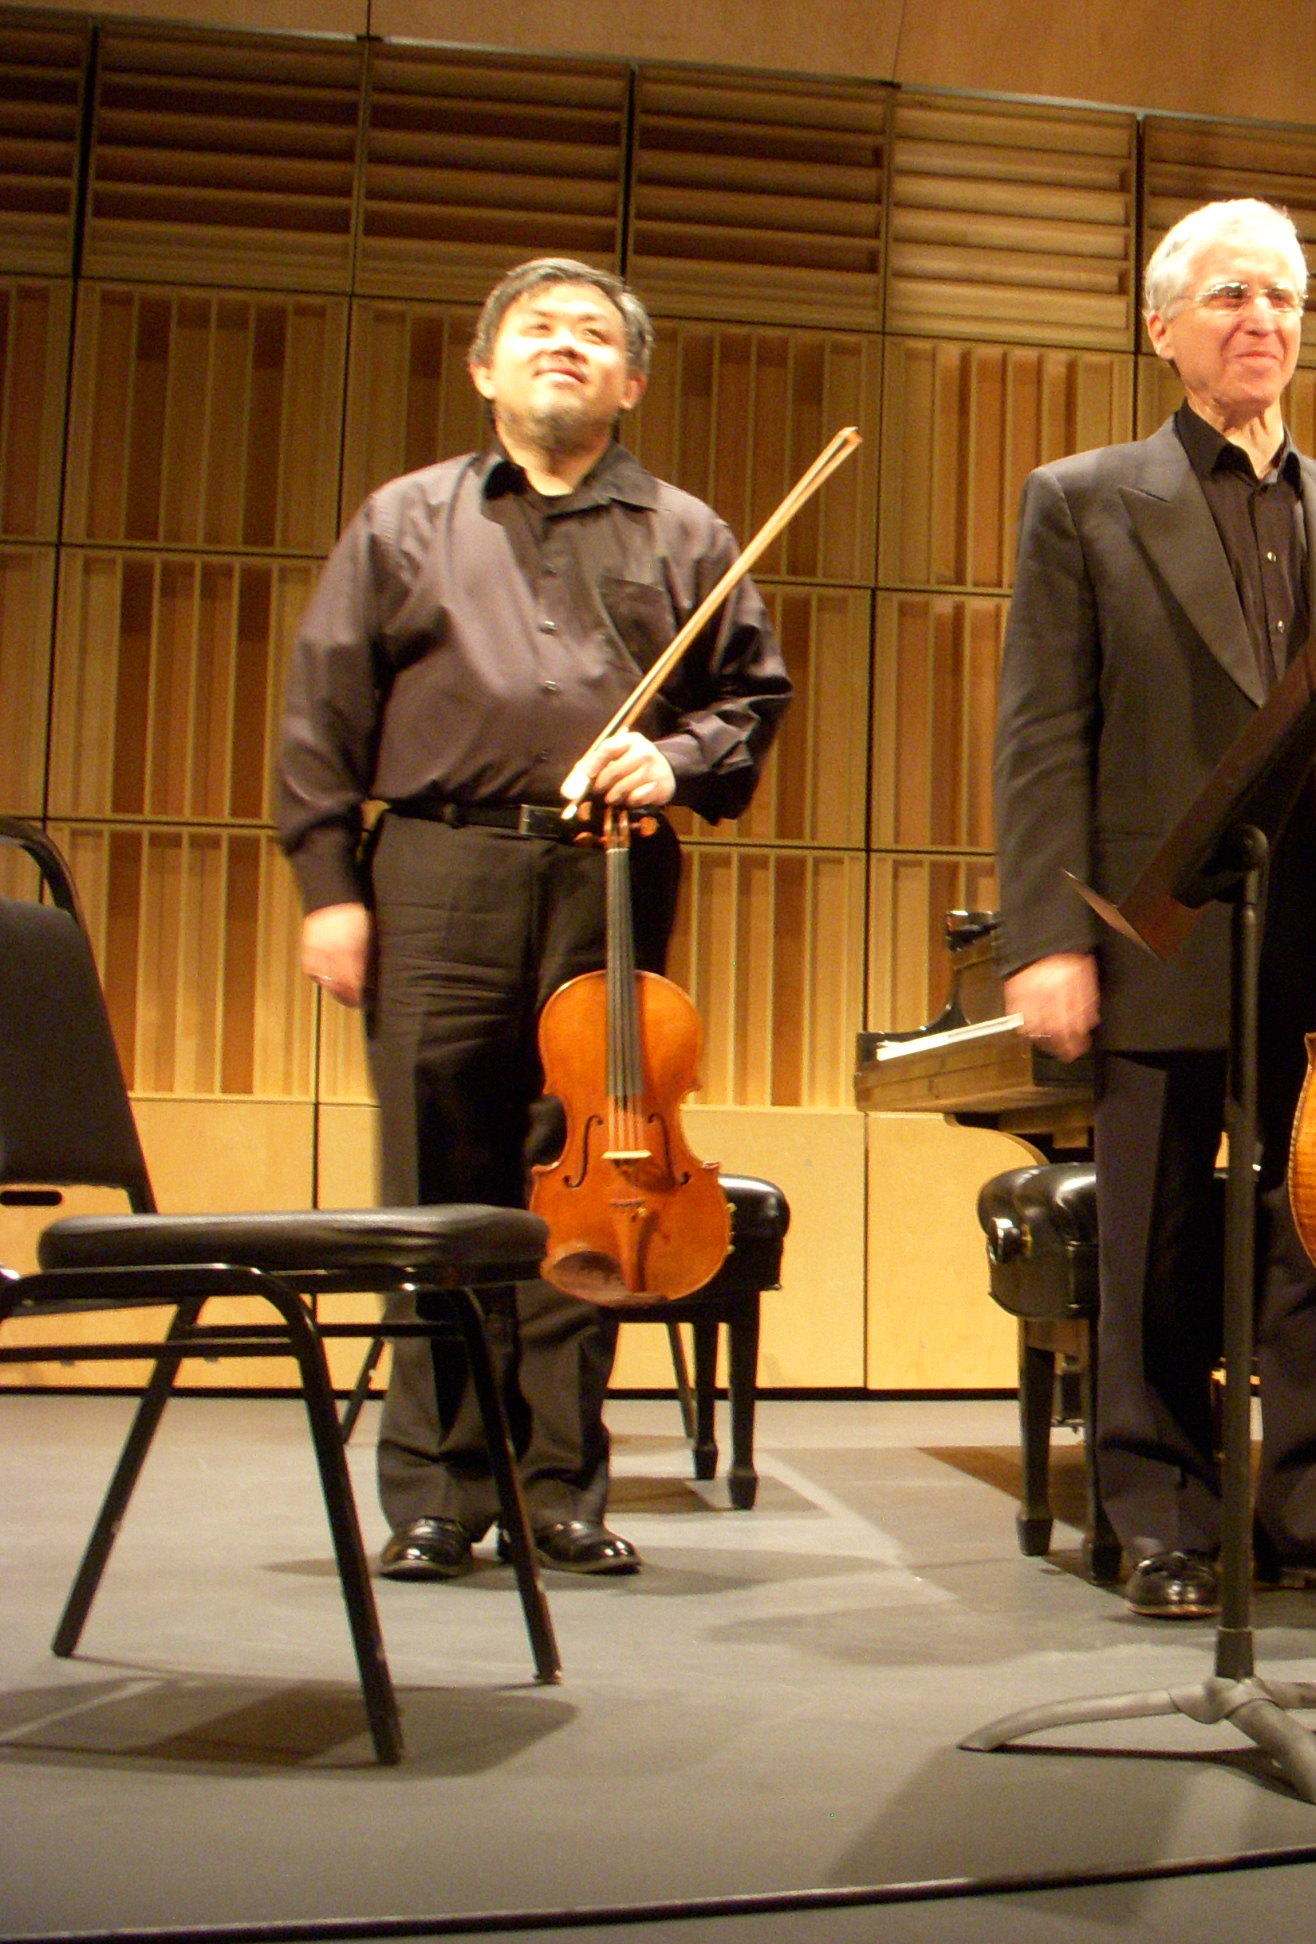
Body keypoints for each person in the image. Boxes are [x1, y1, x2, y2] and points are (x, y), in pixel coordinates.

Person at [992, 199, 1316, 1619]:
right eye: (1231, 295)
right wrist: (1046, 937)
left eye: (1284, 298)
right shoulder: (1082, 498)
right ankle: (1161, 1517)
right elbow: (1042, 733)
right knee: (1157, 1240)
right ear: (1163, 329)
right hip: (1155, 922)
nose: (1263, 320)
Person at [276, 257, 790, 1581]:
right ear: (484, 367)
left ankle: (561, 1487)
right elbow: (321, 713)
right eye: (538, 329)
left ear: (632, 381)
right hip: (435, 873)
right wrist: (330, 891)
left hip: (607, 874)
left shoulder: (688, 532)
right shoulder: (403, 520)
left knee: (595, 1179)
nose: (566, 345)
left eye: (595, 335)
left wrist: (673, 759)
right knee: (434, 1184)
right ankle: (441, 1492)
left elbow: (750, 699)